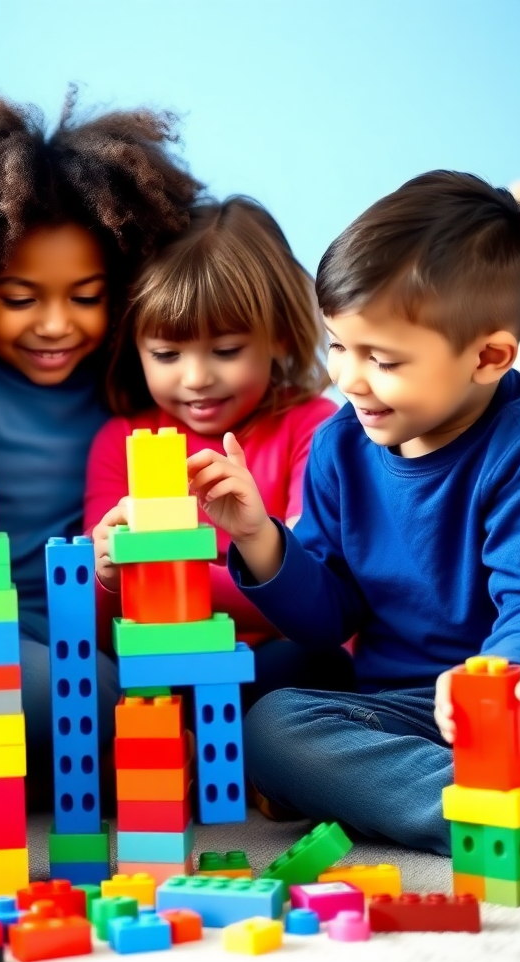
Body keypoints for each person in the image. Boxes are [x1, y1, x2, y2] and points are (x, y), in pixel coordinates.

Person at [187, 171, 520, 865]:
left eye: (382, 360)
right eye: (338, 345)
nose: (347, 378)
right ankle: (513, 810)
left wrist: (509, 676)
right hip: (408, 707)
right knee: (271, 727)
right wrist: (256, 533)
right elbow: (328, 618)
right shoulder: (342, 444)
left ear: (487, 357)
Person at [0, 90, 204, 759]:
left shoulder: (129, 390)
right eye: (20, 299)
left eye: (86, 297)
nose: (55, 325)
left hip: (89, 642)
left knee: (110, 708)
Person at [85, 198, 347, 704]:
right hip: (156, 668)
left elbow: (310, 598)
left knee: (316, 663)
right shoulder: (118, 444)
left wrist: (161, 570)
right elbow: (100, 618)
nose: (197, 378)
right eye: (166, 354)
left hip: (271, 667)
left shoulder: (313, 429)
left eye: (226, 351)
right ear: (134, 347)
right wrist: (110, 576)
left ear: (281, 337)